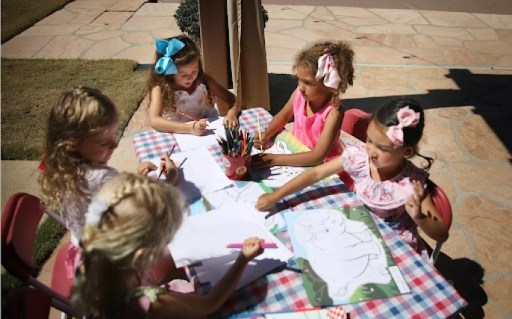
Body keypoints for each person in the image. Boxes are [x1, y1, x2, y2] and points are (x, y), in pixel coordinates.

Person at [255, 99, 449, 260]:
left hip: (392, 249)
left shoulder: (410, 185)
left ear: (406, 152)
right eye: (370, 140)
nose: (371, 151)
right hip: (355, 231)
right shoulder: (359, 157)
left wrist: (420, 218)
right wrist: (276, 196)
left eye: (382, 148)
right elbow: (316, 173)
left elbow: (441, 233)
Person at [72, 173, 264, 318]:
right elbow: (210, 304)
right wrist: (242, 259)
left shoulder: (88, 259)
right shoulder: (155, 303)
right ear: (142, 256)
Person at [38, 86, 178, 278]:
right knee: (179, 256)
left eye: (114, 136)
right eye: (105, 143)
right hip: (115, 269)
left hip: (86, 251)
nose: (115, 145)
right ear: (73, 145)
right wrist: (169, 180)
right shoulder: (101, 178)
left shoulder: (65, 168)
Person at [251, 40, 354, 169]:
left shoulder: (333, 112)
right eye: (299, 79)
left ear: (330, 86)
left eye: (308, 83)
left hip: (320, 167)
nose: (300, 87)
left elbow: (318, 156)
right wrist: (267, 134)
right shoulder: (299, 94)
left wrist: (274, 159)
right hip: (295, 151)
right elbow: (283, 116)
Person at [147, 34, 240, 136]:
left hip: (205, 131)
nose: (190, 77)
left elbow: (232, 99)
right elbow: (154, 120)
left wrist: (231, 114)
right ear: (169, 73)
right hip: (178, 134)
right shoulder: (160, 89)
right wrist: (189, 128)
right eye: (183, 74)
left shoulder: (202, 80)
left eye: (194, 71)